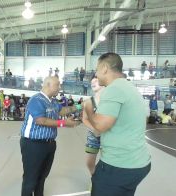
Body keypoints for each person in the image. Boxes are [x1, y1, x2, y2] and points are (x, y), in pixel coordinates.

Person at [83, 53, 151, 196]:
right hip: (138, 162)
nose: (96, 73)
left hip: (119, 165)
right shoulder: (129, 87)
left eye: (97, 69)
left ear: (105, 68)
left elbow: (101, 126)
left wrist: (88, 109)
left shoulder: (113, 89)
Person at [20, 76, 81, 196]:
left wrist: (80, 106)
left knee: (42, 177)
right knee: (30, 179)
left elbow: (62, 110)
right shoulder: (36, 100)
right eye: (57, 85)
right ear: (48, 85)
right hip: (33, 144)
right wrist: (64, 123)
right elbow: (41, 121)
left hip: (49, 144)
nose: (60, 87)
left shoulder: (52, 101)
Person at [82, 74, 105, 176]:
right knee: (89, 162)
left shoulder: (110, 101)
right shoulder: (88, 102)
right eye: (92, 82)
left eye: (95, 81)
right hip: (93, 135)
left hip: (108, 135)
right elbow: (84, 119)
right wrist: (94, 129)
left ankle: (103, 182)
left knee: (107, 162)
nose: (93, 83)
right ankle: (94, 178)